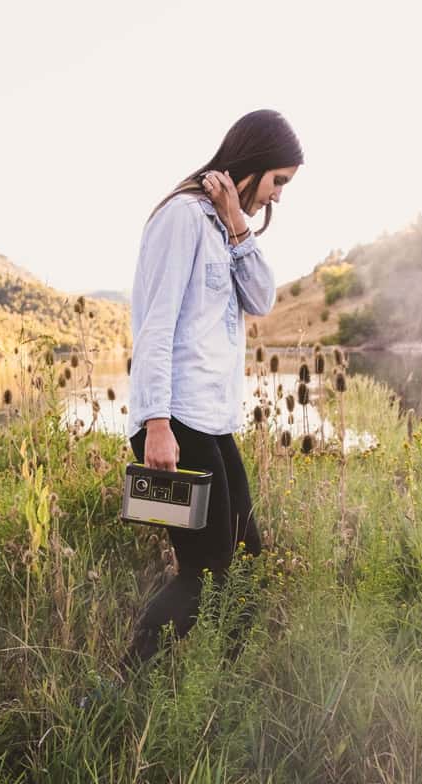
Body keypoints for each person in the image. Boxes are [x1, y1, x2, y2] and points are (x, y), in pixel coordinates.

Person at [123, 109, 304, 669]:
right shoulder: (181, 217)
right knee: (204, 572)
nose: (277, 196)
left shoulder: (225, 226)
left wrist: (237, 224)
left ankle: (230, 681)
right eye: (277, 181)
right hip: (174, 423)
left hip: (211, 422)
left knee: (245, 558)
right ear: (253, 164)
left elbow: (262, 299)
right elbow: (155, 326)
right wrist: (155, 424)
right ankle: (124, 685)